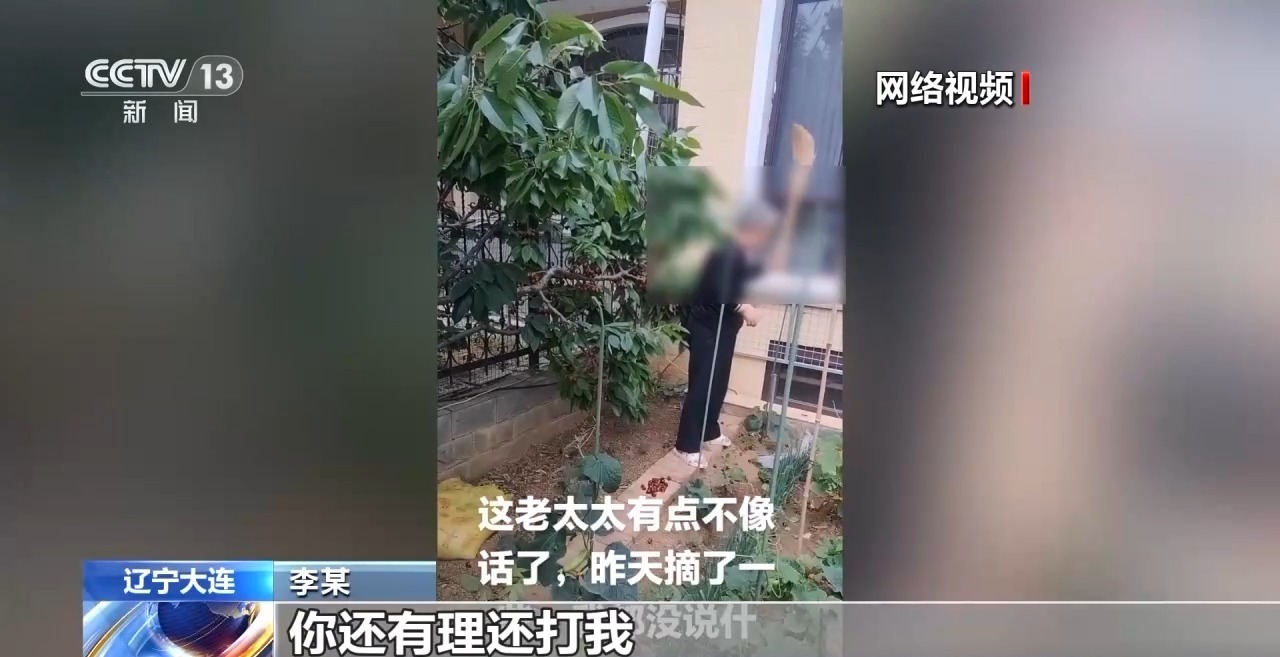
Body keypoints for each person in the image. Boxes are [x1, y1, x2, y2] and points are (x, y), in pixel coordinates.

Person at [673, 204, 777, 468]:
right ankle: (685, 445)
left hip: (726, 326)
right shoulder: (724, 250)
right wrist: (745, 308)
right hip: (707, 325)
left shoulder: (746, 253)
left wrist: (755, 305)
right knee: (703, 382)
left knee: (719, 381)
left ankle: (709, 431)